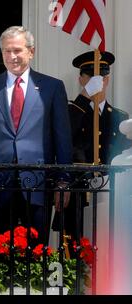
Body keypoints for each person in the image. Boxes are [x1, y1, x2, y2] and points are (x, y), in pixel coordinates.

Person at [0, 26, 73, 241]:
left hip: (37, 184)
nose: (12, 56)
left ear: (31, 51)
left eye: (17, 50)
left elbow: (62, 137)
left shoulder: (52, 87)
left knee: (37, 251)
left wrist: (63, 181)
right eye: (7, 51)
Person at [54, 51, 132, 242]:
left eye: (101, 77)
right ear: (81, 80)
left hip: (109, 193)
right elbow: (63, 136)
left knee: (108, 247)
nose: (96, 82)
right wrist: (84, 97)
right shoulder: (70, 111)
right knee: (75, 247)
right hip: (77, 192)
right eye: (89, 77)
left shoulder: (120, 118)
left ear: (107, 80)